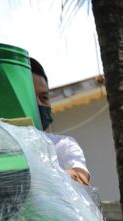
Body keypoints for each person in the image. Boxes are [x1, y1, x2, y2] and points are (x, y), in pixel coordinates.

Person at [30, 58, 90, 186]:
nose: (39, 104)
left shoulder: (63, 145)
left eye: (44, 98)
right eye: (30, 97)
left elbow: (80, 178)